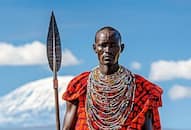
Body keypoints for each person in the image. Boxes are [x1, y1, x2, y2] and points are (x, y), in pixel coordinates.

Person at [62, 26, 163, 130]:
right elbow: (67, 128)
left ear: (121, 48)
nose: (108, 50)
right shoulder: (79, 85)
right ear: (95, 48)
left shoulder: (142, 88)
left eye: (113, 46)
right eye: (103, 45)